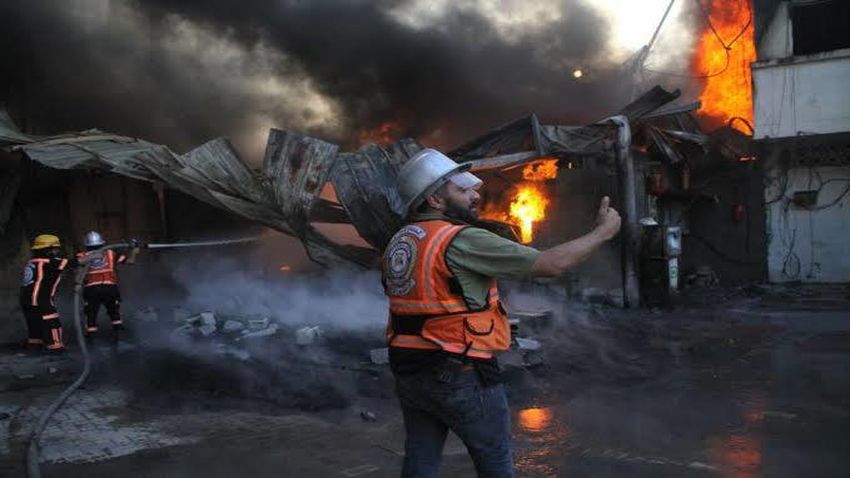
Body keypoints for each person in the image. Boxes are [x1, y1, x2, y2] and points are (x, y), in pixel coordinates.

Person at [382, 148, 622, 477]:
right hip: (460, 372)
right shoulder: (461, 239)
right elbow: (551, 264)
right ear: (436, 200)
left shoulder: (401, 242)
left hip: (410, 371)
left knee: (421, 459)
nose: (474, 195)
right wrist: (604, 232)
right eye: (462, 190)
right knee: (495, 461)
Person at [75, 231, 139, 337]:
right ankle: (120, 338)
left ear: (86, 245)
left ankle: (91, 342)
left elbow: (79, 273)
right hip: (110, 288)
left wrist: (77, 284)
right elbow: (130, 261)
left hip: (91, 290)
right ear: (102, 243)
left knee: (91, 315)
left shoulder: (81, 256)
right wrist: (134, 251)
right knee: (114, 314)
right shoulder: (110, 253)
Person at [20, 234, 70, 352]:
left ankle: (34, 344)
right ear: (48, 250)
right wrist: (93, 256)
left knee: (34, 321)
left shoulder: (32, 262)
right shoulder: (49, 262)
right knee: (52, 322)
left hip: (26, 300)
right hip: (41, 299)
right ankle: (56, 347)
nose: (57, 251)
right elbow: (74, 262)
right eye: (55, 249)